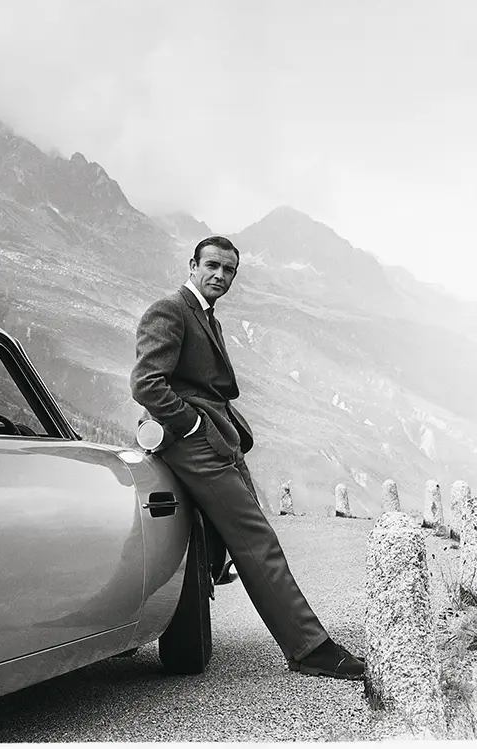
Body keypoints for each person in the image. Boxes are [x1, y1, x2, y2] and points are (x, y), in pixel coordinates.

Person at [130, 235, 365, 680]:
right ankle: (310, 648)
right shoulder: (171, 310)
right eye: (213, 266)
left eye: (229, 270)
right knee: (257, 542)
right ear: (193, 265)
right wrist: (192, 426)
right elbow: (146, 384)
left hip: (218, 439)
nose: (220, 275)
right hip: (195, 444)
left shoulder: (204, 315)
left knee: (243, 535)